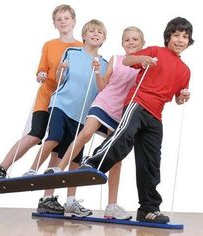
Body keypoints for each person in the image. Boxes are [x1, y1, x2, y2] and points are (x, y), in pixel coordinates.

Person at [81, 16, 194, 223]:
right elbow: (127, 60)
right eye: (176, 35)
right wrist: (142, 60)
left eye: (185, 37)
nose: (180, 40)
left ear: (189, 41)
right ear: (168, 37)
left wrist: (182, 97)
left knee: (151, 162)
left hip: (156, 116)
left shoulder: (185, 71)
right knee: (124, 136)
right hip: (138, 103)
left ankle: (148, 209)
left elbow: (178, 99)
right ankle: (92, 165)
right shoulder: (155, 51)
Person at [45, 26, 145, 220]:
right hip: (103, 103)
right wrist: (98, 72)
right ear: (122, 44)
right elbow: (102, 87)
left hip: (120, 114)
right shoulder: (115, 59)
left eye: (135, 39)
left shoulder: (144, 66)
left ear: (143, 43)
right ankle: (59, 168)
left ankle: (112, 206)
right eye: (127, 40)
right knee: (86, 133)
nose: (131, 42)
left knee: (116, 157)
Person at [0, 4, 83, 181]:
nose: (63, 22)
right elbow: (41, 69)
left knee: (57, 144)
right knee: (35, 134)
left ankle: (48, 197)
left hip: (66, 103)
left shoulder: (82, 47)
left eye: (66, 18)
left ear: (74, 21)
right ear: (54, 23)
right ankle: (0, 169)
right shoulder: (49, 45)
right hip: (46, 98)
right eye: (58, 19)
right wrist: (41, 74)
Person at [24, 19, 108, 217]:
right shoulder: (72, 53)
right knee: (54, 137)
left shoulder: (104, 64)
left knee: (75, 158)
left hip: (82, 115)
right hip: (61, 105)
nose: (95, 34)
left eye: (99, 32)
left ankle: (70, 201)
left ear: (104, 38)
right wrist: (61, 69)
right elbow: (61, 78)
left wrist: (97, 72)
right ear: (84, 36)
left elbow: (103, 89)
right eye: (91, 31)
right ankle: (32, 170)